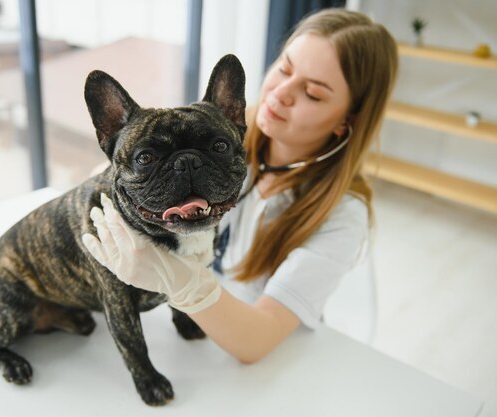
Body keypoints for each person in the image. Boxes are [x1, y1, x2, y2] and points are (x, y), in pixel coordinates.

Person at [82, 8, 398, 364]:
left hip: (264, 351)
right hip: (190, 344)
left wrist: (185, 285)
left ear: (345, 121)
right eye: (285, 68)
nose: (281, 93)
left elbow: (257, 340)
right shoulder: (219, 134)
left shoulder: (341, 215)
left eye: (312, 93)